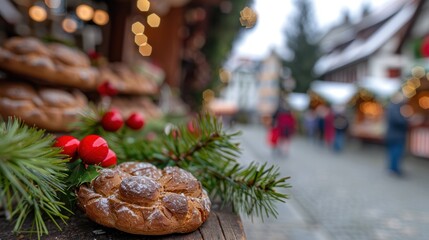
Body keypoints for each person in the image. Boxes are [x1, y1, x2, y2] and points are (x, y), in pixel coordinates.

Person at [385, 92, 409, 176]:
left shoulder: (392, 107)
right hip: (397, 135)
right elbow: (398, 121)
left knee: (393, 152)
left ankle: (392, 168)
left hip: (393, 134)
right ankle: (394, 169)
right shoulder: (395, 108)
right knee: (396, 152)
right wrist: (406, 119)